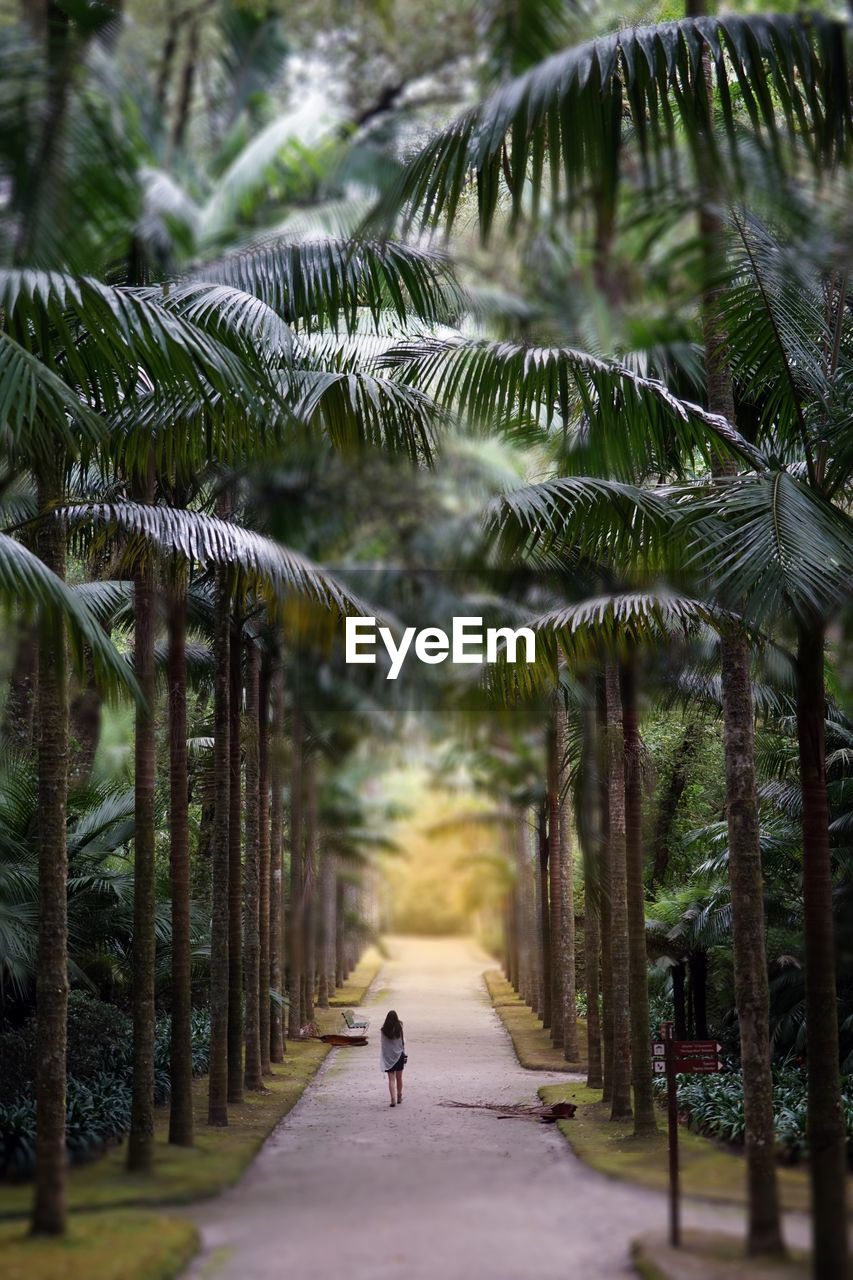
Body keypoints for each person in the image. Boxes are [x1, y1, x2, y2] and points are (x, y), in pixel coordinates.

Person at [380, 1010, 406, 1106]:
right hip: (399, 1055)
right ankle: (399, 1096)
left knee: (391, 1079)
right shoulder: (399, 1029)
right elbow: (402, 1043)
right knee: (399, 1078)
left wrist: (385, 1056)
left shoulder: (383, 1030)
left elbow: (383, 1045)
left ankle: (393, 1099)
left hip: (388, 1057)